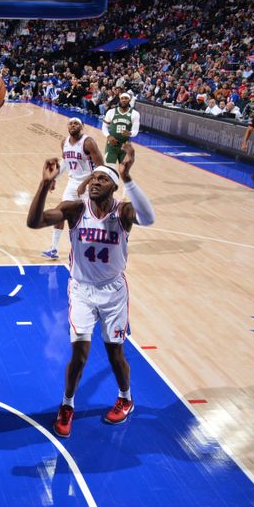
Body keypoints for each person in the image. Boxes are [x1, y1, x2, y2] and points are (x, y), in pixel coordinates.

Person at [26, 143, 155, 438]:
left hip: (113, 292)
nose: (95, 181)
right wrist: (45, 185)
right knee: (80, 353)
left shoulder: (123, 212)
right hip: (82, 290)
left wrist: (129, 177)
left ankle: (125, 398)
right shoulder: (74, 209)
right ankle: (67, 404)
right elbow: (33, 222)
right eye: (93, 178)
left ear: (113, 187)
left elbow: (149, 219)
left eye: (103, 179)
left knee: (115, 353)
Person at [42, 117, 105, 260]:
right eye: (70, 123)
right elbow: (65, 161)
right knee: (61, 211)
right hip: (72, 183)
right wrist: (54, 179)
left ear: (82, 126)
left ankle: (95, 248)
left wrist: (85, 183)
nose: (73, 125)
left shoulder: (88, 142)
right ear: (67, 127)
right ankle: (54, 249)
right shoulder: (64, 142)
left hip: (91, 184)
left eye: (76, 123)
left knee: (90, 219)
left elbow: (101, 168)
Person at [101, 92, 140, 169]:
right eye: (122, 98)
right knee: (109, 170)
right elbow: (104, 127)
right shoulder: (111, 112)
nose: (124, 100)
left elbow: (135, 131)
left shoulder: (135, 114)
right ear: (119, 100)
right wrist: (108, 136)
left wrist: (130, 133)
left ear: (129, 100)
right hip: (112, 145)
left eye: (126, 98)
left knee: (123, 171)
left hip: (125, 146)